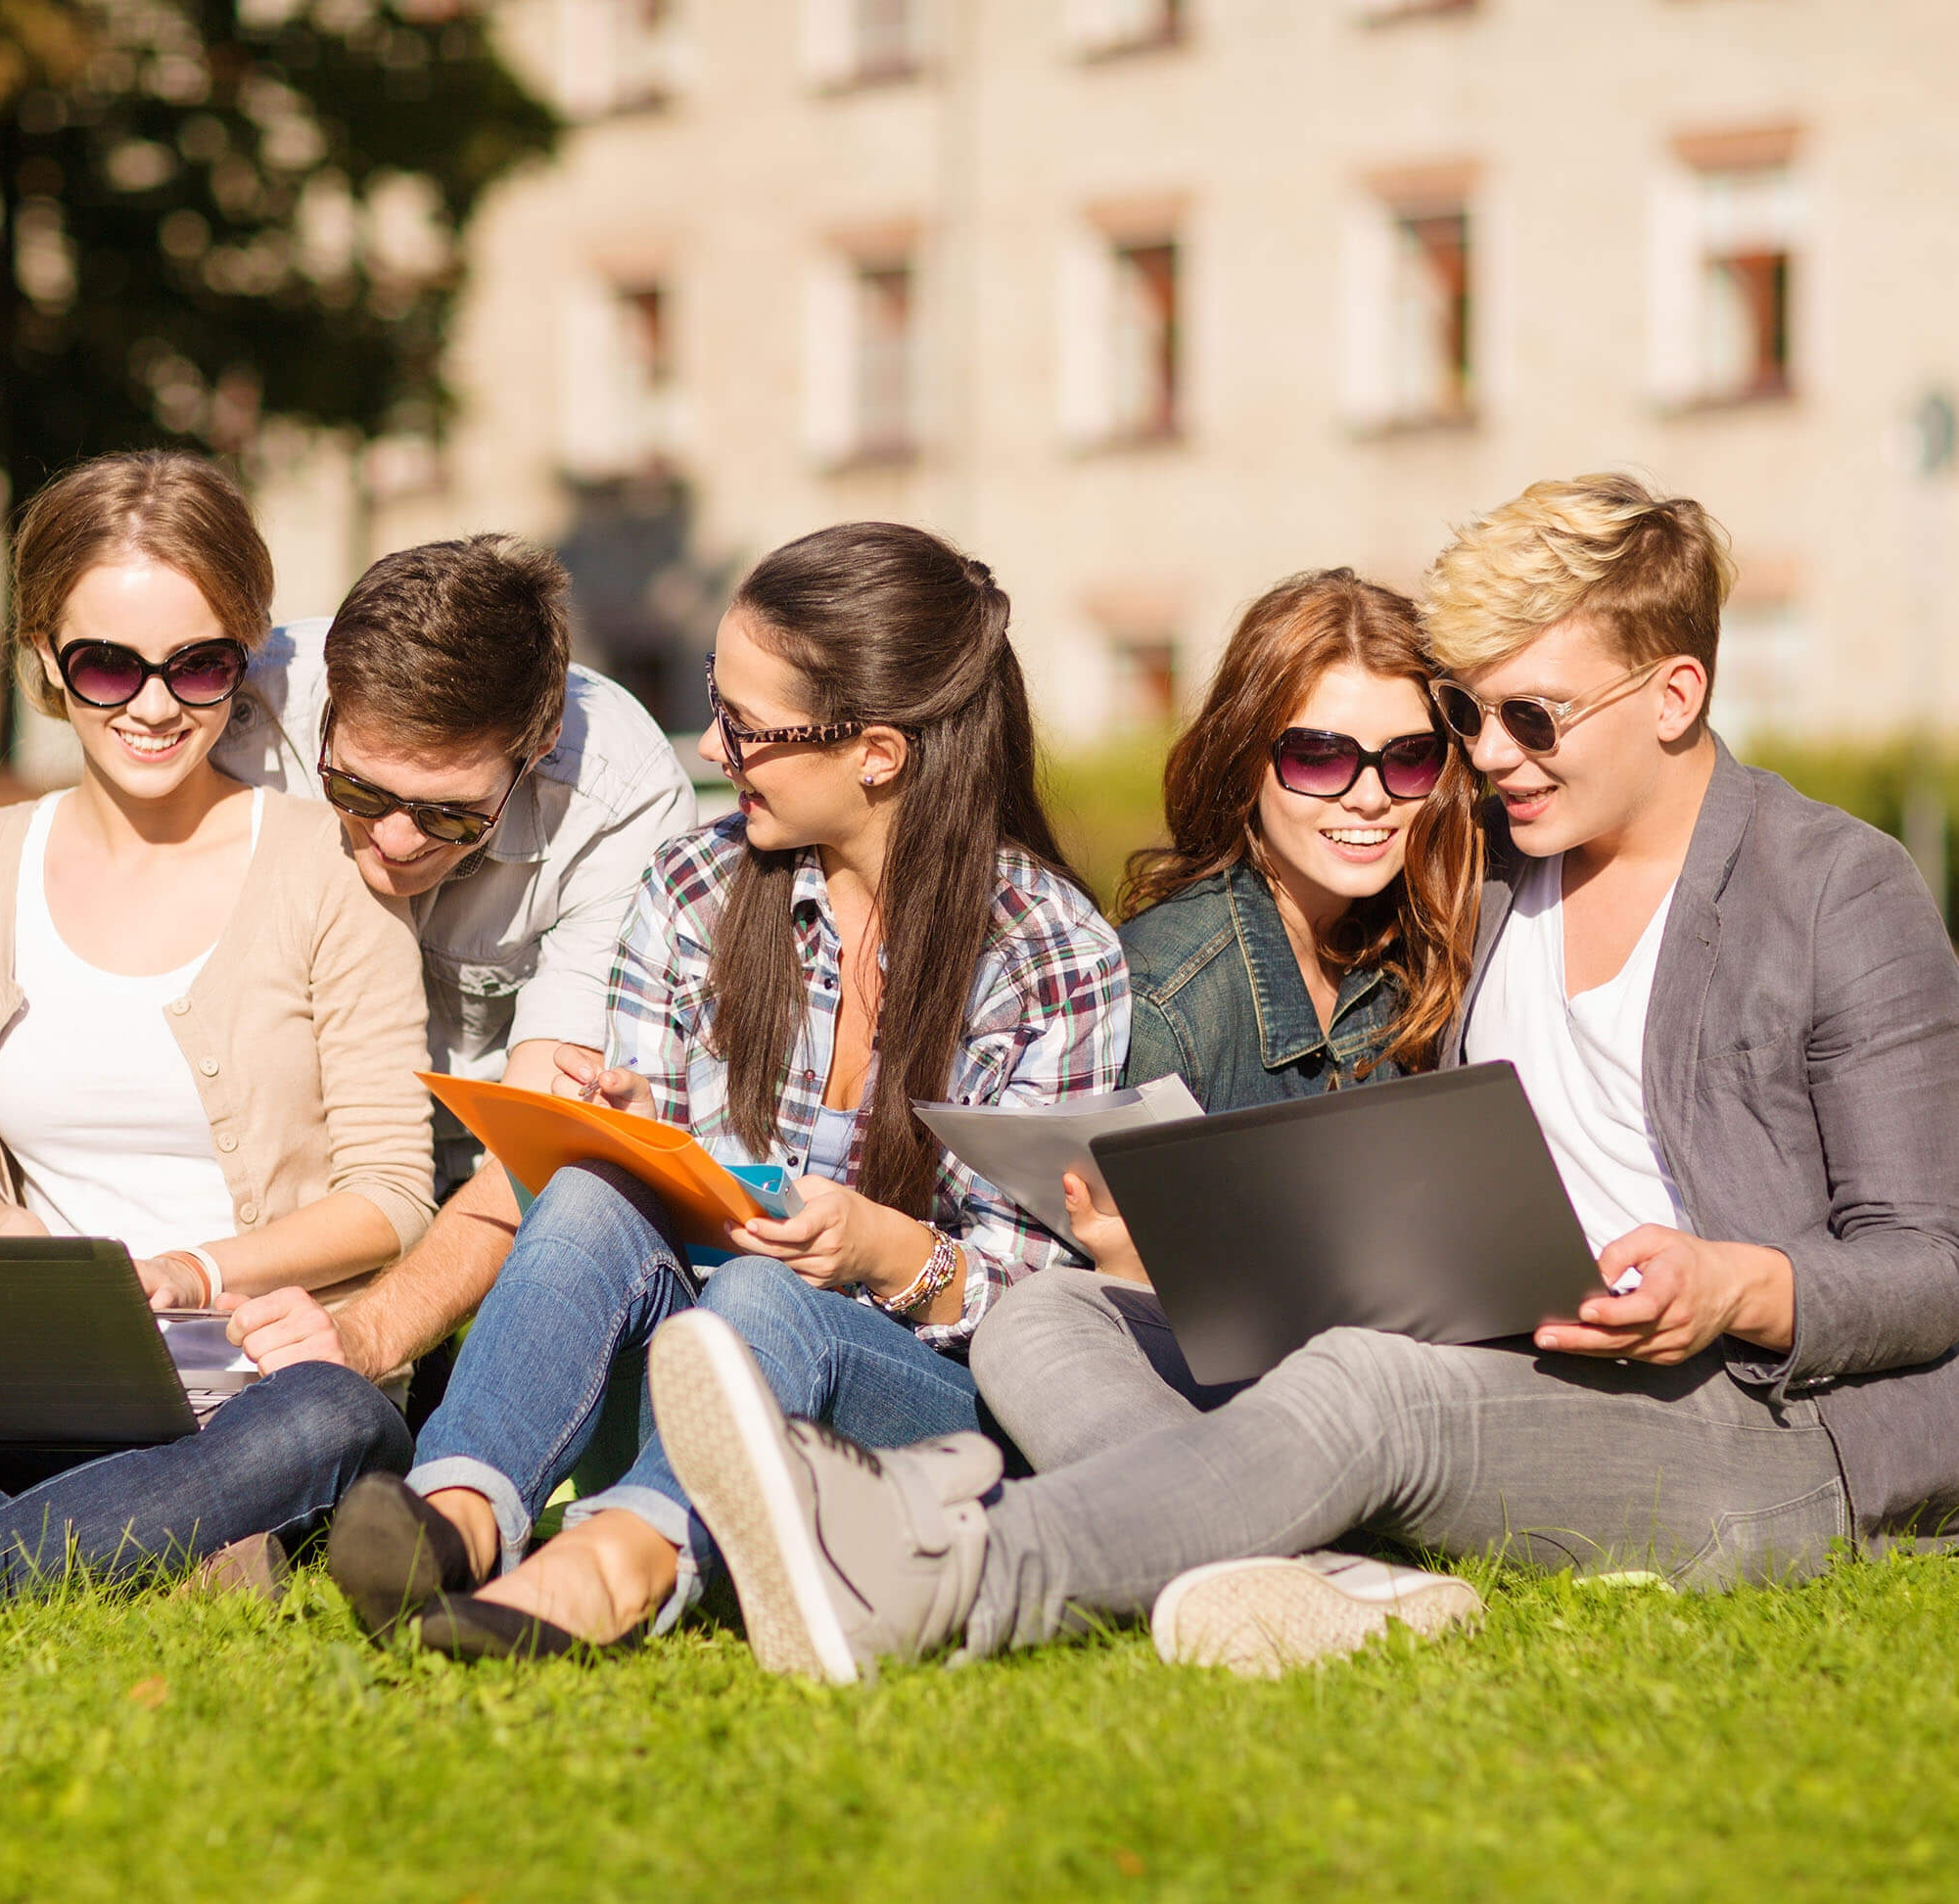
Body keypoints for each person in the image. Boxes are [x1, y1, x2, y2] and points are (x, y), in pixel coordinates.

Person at [649, 473, 1959, 1685]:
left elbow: (1933, 1259)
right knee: (1045, 1318)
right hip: (1502, 1363)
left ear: (1674, 698)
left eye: (1532, 717)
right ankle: (1310, 1578)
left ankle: (945, 1576)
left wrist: (1735, 1281)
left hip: (1765, 1423)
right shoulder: (1488, 876)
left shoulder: (1835, 891)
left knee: (1368, 1389)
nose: (1490, 758)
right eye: (1471, 717)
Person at [321, 522, 1129, 1656]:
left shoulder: (1045, 955)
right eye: (716, 697)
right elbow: (651, 1189)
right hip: (692, 1352)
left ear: (879, 755)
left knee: (768, 1300)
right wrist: (627, 1135)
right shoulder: (696, 882)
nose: (712, 743)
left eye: (744, 727)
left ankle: (613, 1568)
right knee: (597, 1194)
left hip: (922, 1402)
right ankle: (455, 1515)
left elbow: (1047, 1311)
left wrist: (887, 1251)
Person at [0, 451, 435, 1591]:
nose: (153, 706)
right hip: (38, 1400)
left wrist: (199, 1269)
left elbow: (391, 1192)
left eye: (198, 667)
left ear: (242, 661)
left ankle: (51, 1548)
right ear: (45, 655)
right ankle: (141, 1548)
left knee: (324, 1427)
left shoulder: (328, 869)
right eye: (107, 666)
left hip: (261, 1395)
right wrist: (12, 1247)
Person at [970, 571, 1481, 1472]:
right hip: (1195, 1394)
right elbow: (1093, 1305)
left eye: (1408, 758)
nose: (1370, 798)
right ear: (1246, 760)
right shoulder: (1167, 990)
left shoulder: (1427, 948)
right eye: (1320, 756)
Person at [209, 536, 695, 1401]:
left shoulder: (622, 797)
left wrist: (367, 1335)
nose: (392, 842)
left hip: (479, 1185)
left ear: (538, 744)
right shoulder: (242, 706)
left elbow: (538, 1137)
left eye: (450, 816)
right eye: (356, 791)